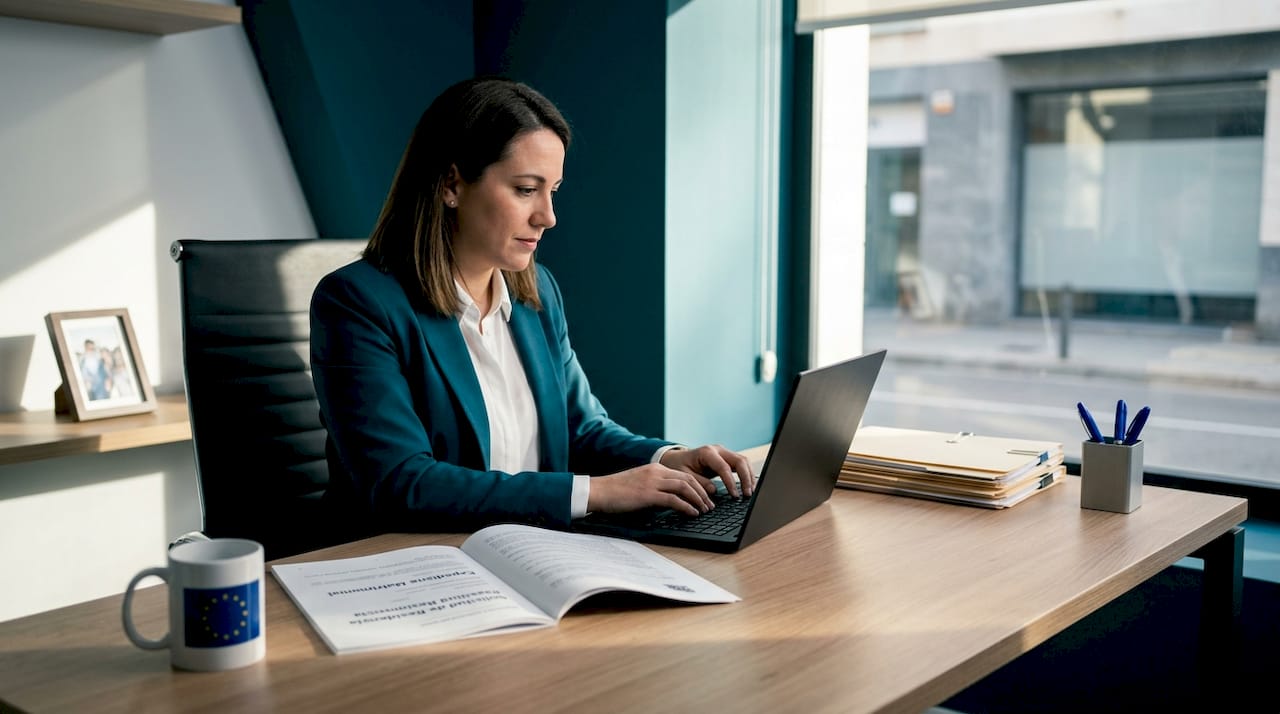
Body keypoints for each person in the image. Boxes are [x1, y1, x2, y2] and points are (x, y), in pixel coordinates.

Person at [311, 77, 754, 537]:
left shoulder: (536, 292)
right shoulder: (358, 303)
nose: (548, 216)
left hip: (527, 548)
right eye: (526, 189)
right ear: (451, 184)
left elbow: (581, 429)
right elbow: (402, 482)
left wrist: (669, 458)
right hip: (403, 562)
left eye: (553, 191)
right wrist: (596, 493)